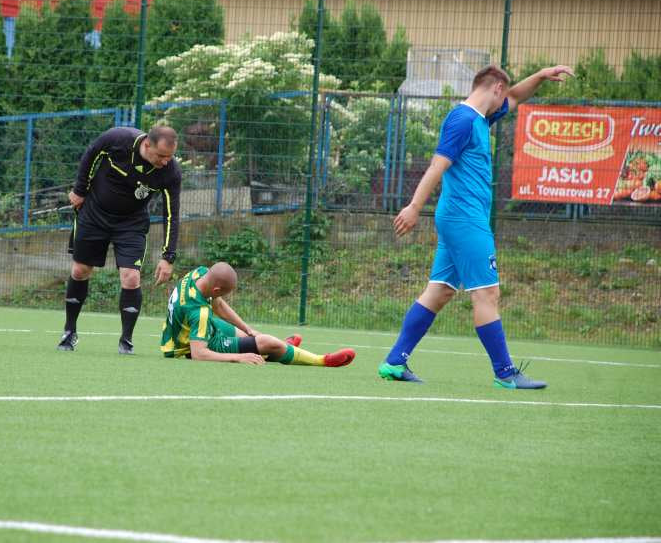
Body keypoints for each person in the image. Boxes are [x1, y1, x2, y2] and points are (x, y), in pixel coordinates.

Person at [379, 64, 574, 389]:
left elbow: (514, 96)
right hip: (464, 219)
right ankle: (505, 373)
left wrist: (540, 77)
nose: (505, 104)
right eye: (503, 93)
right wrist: (414, 207)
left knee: (439, 291)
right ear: (495, 87)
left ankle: (394, 362)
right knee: (487, 293)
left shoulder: (481, 119)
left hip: (462, 218)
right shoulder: (463, 120)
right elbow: (436, 166)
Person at [59, 125, 182, 354]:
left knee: (131, 277)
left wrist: (168, 256)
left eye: (170, 157)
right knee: (80, 271)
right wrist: (79, 190)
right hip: (94, 214)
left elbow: (171, 214)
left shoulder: (170, 172)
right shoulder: (119, 139)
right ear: (147, 145)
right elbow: (91, 153)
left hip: (131, 224)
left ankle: (126, 341)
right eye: (162, 156)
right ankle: (69, 331)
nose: (166, 161)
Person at [160, 262, 356, 367]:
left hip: (190, 331)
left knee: (252, 337)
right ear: (217, 288)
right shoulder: (199, 312)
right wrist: (238, 358)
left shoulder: (198, 274)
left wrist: (247, 328)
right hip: (188, 347)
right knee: (269, 343)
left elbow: (218, 305)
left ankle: (280, 350)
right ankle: (322, 360)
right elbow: (198, 354)